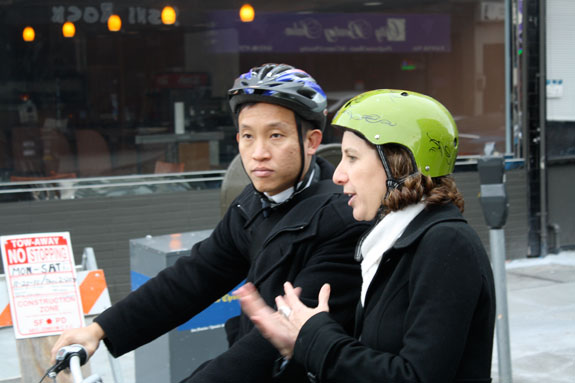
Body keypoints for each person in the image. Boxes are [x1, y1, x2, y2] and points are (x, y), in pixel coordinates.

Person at [51, 64, 367, 382]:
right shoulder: (253, 203)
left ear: (312, 141)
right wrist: (101, 329)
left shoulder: (343, 218)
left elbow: (266, 350)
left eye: (275, 136)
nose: (258, 153)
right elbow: (196, 275)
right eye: (247, 136)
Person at [236, 89, 496, 382]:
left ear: (399, 164)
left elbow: (416, 377)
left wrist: (317, 336)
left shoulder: (446, 244)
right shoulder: (390, 244)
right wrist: (299, 341)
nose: (337, 175)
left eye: (352, 157)